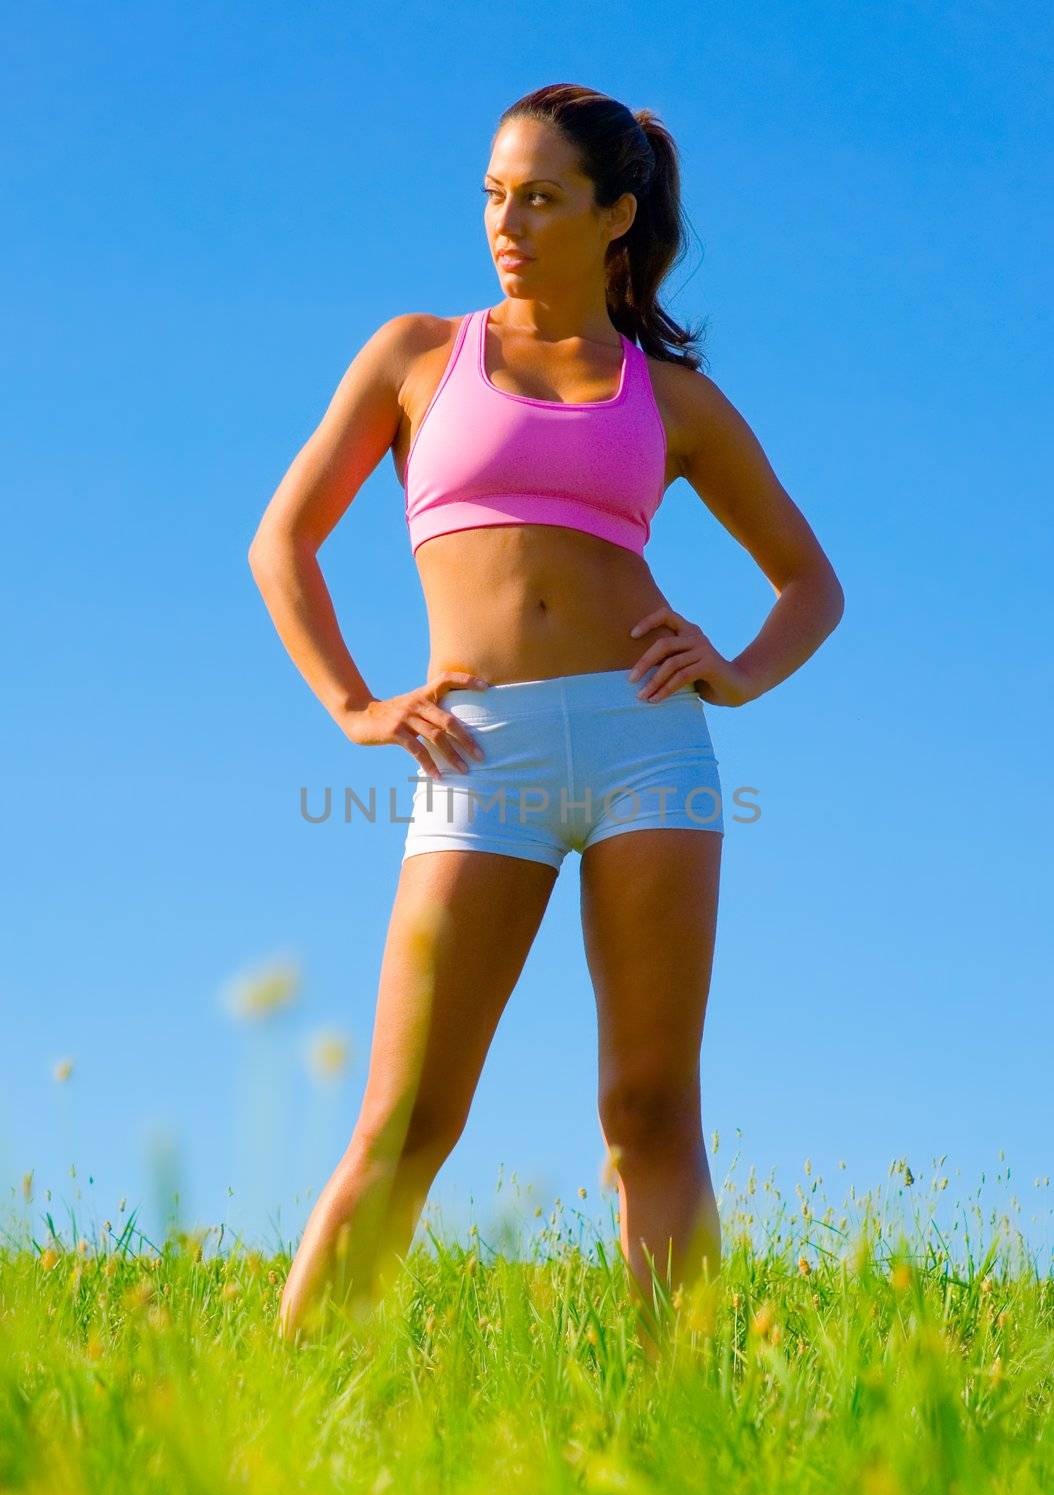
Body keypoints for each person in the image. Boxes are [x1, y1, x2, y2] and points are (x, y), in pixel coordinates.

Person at [248, 83, 844, 1350]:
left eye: (540, 197)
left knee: (648, 1109)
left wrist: (732, 668)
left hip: (648, 746)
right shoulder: (418, 354)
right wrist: (353, 704)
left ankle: (686, 1430)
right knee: (407, 1115)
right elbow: (282, 542)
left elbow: (811, 584)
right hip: (478, 749)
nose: (505, 222)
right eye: (492, 194)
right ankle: (274, 1421)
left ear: (614, 215)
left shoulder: (668, 397)